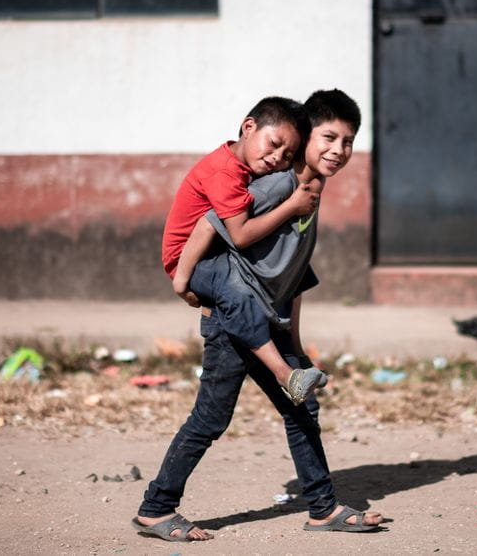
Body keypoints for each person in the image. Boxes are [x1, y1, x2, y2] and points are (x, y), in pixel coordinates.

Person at [133, 90, 385, 542]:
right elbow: (210, 221)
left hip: (270, 318)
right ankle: (156, 508)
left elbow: (296, 271)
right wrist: (183, 279)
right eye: (328, 137)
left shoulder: (312, 188)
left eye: (348, 142)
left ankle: (323, 508)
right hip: (235, 321)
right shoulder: (277, 185)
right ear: (306, 138)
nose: (338, 151)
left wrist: (296, 343)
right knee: (210, 420)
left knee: (301, 410)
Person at [162, 97, 327, 404]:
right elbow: (238, 235)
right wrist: (181, 281)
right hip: (193, 259)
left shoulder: (249, 168)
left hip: (218, 255)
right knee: (236, 291)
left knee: (296, 268)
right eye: (273, 143)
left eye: (287, 154)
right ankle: (286, 374)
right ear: (248, 126)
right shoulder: (223, 173)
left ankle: (296, 353)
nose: (276, 157)